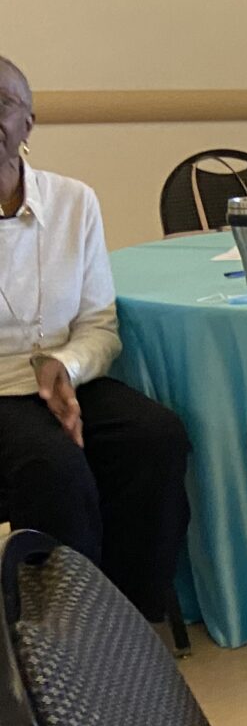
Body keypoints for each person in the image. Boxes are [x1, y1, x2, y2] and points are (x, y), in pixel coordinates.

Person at [0, 56, 190, 618]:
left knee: (157, 436)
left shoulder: (74, 202)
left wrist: (66, 367)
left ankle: (134, 612)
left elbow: (98, 325)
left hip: (61, 374)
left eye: (2, 104)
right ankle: (72, 632)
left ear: (28, 123)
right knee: (53, 467)